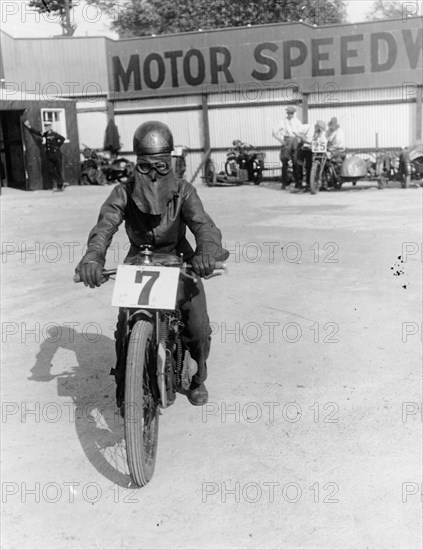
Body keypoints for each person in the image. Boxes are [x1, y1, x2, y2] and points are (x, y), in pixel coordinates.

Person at [76, 121, 229, 407]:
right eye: (146, 167)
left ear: (170, 162)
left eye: (161, 166)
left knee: (197, 327)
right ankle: (127, 379)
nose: (154, 175)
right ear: (136, 163)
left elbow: (203, 224)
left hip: (179, 257)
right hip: (139, 259)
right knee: (125, 324)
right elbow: (105, 226)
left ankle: (198, 379)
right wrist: (93, 256)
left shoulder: (185, 191)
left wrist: (207, 251)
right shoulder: (123, 192)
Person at [24, 120, 66, 191]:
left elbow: (63, 139)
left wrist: (57, 146)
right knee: (51, 170)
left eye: (47, 126)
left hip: (57, 155)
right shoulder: (45, 134)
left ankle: (60, 186)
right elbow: (37, 133)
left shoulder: (54, 134)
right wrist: (29, 126)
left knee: (58, 171)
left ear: (50, 126)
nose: (46, 127)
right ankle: (61, 181)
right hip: (49, 155)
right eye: (45, 126)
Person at [272, 106, 303, 189]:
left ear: (293, 114)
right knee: (285, 162)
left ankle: (298, 183)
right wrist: (280, 140)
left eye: (292, 113)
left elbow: (301, 131)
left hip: (295, 141)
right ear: (287, 113)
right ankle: (284, 183)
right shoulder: (282, 122)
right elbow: (274, 131)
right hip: (287, 140)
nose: (290, 115)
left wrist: (299, 141)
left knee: (296, 162)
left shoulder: (297, 122)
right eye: (289, 113)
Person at [295, 120, 327, 192]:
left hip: (311, 149)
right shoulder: (307, 127)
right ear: (317, 126)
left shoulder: (320, 133)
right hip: (303, 147)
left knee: (309, 166)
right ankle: (299, 182)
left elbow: (323, 140)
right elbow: (295, 131)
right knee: (299, 164)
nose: (320, 131)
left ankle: (308, 183)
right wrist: (301, 136)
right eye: (319, 129)